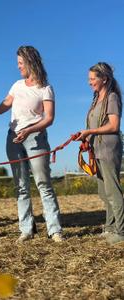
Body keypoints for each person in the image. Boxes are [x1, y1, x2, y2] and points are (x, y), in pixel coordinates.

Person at [0, 45, 63, 243]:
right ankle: (26, 229)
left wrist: (29, 130)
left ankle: (55, 230)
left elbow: (49, 118)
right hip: (13, 139)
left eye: (20, 63)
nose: (18, 67)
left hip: (36, 139)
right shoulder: (17, 86)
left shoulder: (45, 88)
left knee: (43, 184)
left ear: (30, 62)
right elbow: (2, 107)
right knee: (20, 186)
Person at [76, 62, 124, 245]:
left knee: (113, 191)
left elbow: (114, 125)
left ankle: (121, 231)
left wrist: (90, 132)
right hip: (97, 149)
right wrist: (85, 136)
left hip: (108, 149)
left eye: (92, 78)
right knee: (104, 192)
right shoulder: (96, 99)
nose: (89, 82)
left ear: (104, 79)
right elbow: (95, 125)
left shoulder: (112, 98)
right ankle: (110, 227)